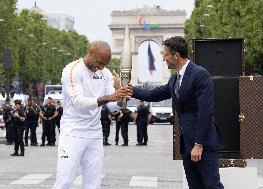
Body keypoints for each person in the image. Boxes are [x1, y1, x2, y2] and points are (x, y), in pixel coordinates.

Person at [131, 36, 224, 189]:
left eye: (165, 55)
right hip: (187, 144)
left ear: (176, 55)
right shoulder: (175, 79)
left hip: (203, 144)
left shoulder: (200, 75)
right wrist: (130, 90)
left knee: (212, 186)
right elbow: (153, 94)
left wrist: (199, 144)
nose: (163, 59)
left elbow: (205, 113)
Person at [53, 41, 132, 189]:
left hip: (94, 133)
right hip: (72, 133)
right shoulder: (72, 70)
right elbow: (79, 101)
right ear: (90, 52)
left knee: (93, 183)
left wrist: (122, 97)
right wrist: (110, 97)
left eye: (105, 64)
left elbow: (112, 107)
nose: (101, 67)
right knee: (64, 181)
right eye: (100, 62)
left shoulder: (105, 73)